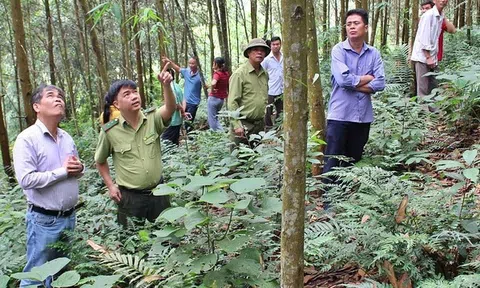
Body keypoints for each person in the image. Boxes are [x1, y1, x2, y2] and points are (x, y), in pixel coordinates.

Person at [13, 84, 84, 288]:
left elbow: (76, 170)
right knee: (35, 277)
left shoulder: (66, 137)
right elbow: (26, 180)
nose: (58, 99)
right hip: (44, 220)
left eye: (60, 96)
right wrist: (63, 172)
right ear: (36, 106)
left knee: (60, 275)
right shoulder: (27, 139)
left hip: (69, 217)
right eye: (51, 96)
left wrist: (79, 167)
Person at [95, 67, 176, 228]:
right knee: (131, 243)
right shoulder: (110, 131)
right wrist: (111, 186)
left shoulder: (152, 119)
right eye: (127, 94)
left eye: (135, 92)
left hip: (159, 192)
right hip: (130, 197)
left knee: (168, 238)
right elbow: (100, 160)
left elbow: (170, 108)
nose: (133, 96)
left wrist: (166, 86)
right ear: (116, 104)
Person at [322, 9, 385, 177]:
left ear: (365, 27)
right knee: (332, 161)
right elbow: (343, 81)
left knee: (354, 160)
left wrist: (353, 84)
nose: (351, 27)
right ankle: (329, 201)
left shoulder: (374, 53)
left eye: (356, 23)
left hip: (362, 116)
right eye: (348, 24)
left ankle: (348, 198)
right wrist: (367, 78)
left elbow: (380, 83)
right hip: (339, 116)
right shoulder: (338, 51)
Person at [228, 38, 270, 147]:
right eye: (255, 50)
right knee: (239, 161)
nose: (259, 52)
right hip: (243, 125)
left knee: (255, 159)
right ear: (248, 53)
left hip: (259, 126)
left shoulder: (264, 74)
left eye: (262, 50)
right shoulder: (239, 74)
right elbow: (232, 102)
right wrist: (237, 125)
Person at [411, 0, 449, 97]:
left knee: (434, 87)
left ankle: (434, 111)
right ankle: (422, 111)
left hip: (432, 57)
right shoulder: (428, 16)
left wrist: (433, 57)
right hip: (422, 57)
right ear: (435, 1)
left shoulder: (440, 16)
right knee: (423, 89)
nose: (443, 0)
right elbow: (424, 37)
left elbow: (435, 37)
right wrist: (428, 57)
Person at [162, 56, 202, 131]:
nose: (191, 65)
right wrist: (169, 61)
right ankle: (182, 135)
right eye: (189, 63)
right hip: (184, 101)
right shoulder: (186, 72)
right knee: (180, 118)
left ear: (197, 64)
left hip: (193, 103)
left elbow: (207, 85)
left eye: (193, 63)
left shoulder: (200, 76)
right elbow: (177, 68)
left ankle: (190, 138)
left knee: (189, 122)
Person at [161, 68, 189, 145]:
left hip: (172, 121)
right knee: (174, 142)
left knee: (165, 143)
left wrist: (182, 111)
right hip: (178, 120)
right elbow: (184, 99)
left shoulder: (171, 87)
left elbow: (175, 105)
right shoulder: (177, 86)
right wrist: (183, 110)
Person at [261, 36, 284, 130]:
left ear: (280, 44)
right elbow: (261, 72)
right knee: (267, 111)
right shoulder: (266, 59)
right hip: (270, 89)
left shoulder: (284, 57)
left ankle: (279, 128)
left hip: (282, 89)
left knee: (281, 111)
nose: (275, 46)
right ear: (270, 46)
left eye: (277, 44)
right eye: (273, 44)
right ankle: (269, 129)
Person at [207, 57, 230, 131]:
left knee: (212, 120)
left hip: (214, 98)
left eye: (214, 63)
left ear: (216, 64)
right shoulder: (226, 74)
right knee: (215, 118)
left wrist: (212, 89)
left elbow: (213, 83)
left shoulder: (217, 74)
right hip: (221, 100)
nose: (213, 64)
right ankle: (221, 134)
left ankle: (218, 135)